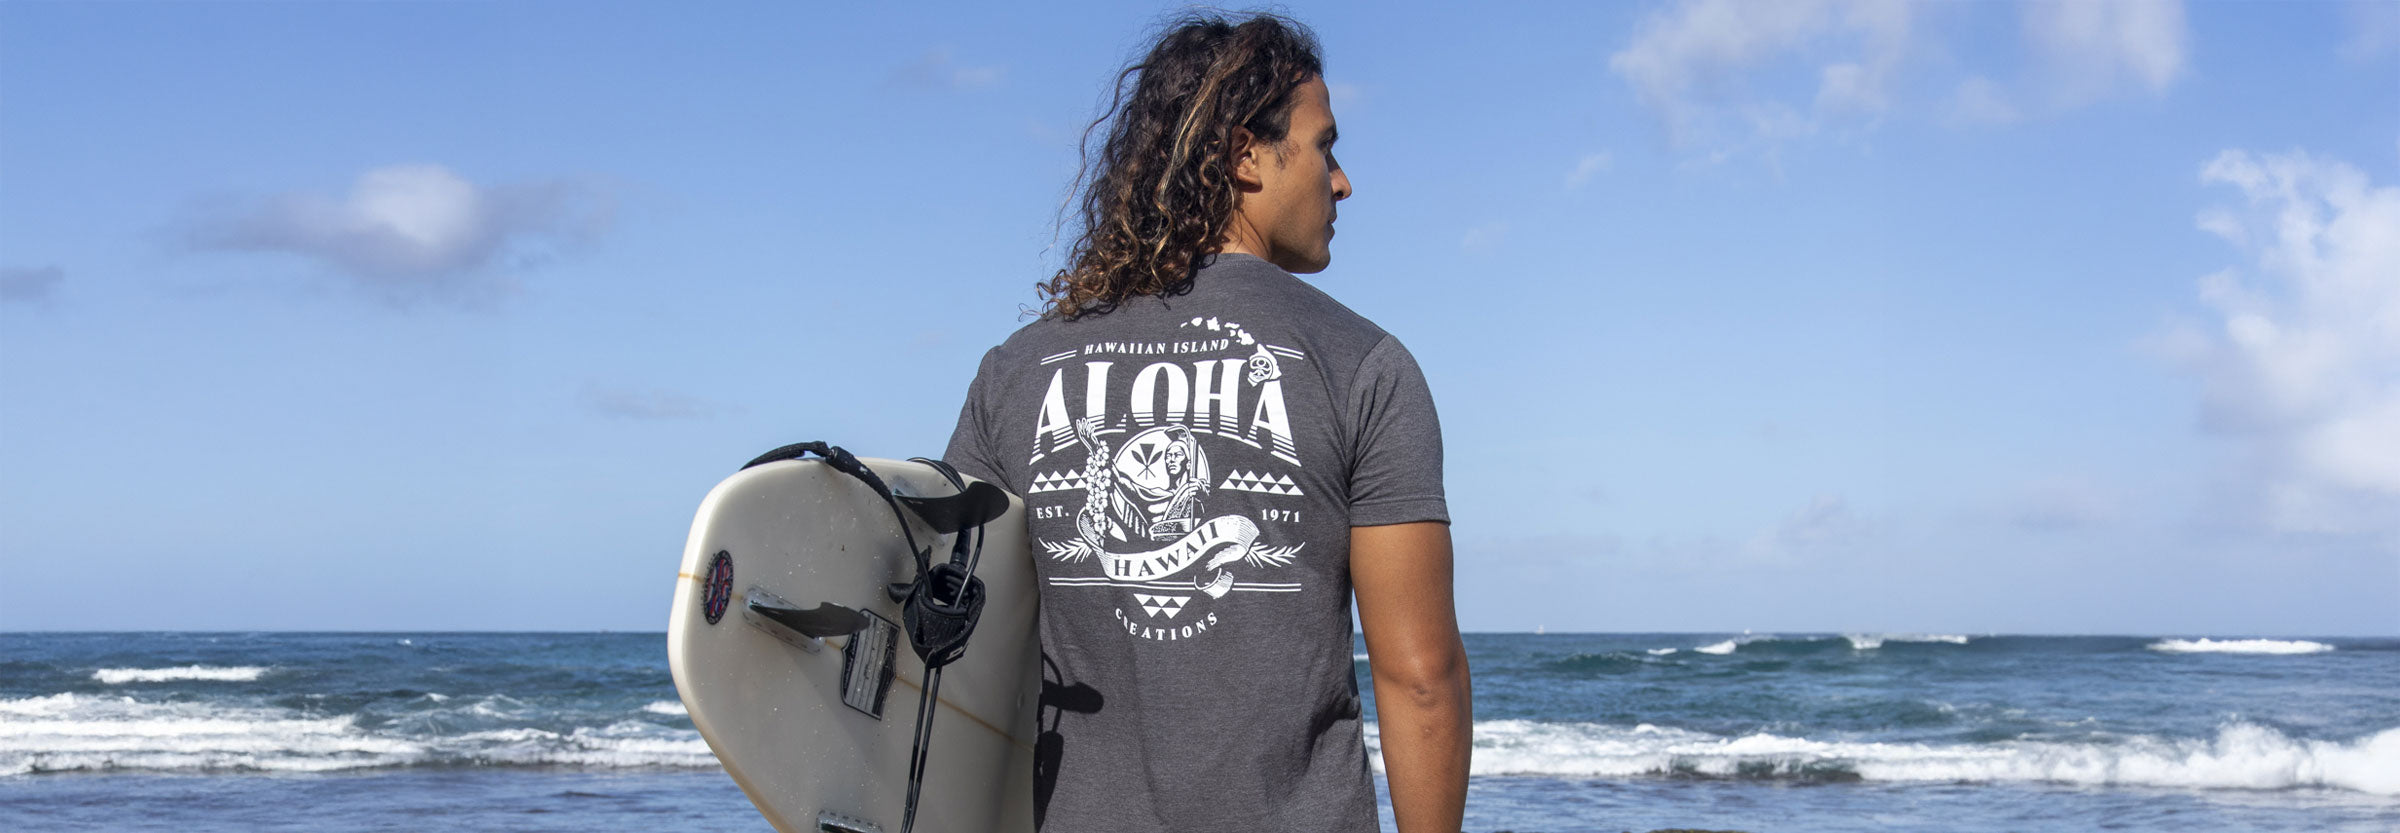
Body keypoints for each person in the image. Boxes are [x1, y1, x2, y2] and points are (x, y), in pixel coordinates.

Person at [942, 12, 1470, 833]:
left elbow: (953, 645)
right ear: (1244, 156)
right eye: (1325, 147)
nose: (1342, 183)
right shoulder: (1363, 365)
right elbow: (1421, 677)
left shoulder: (1017, 371)